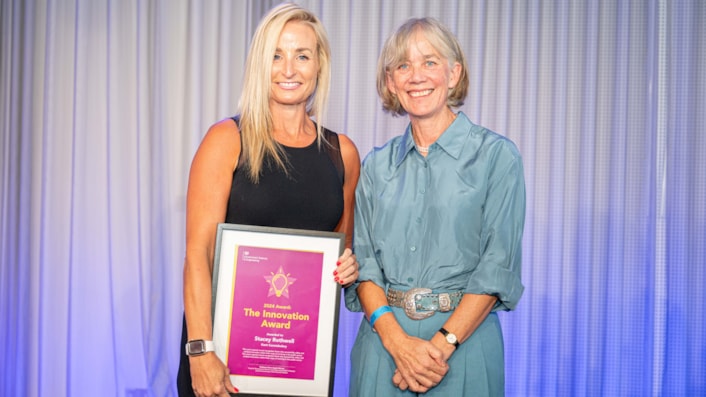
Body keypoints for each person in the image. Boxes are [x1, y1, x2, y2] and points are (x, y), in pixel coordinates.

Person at [176, 3, 361, 396]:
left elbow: (342, 251)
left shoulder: (342, 153)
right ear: (261, 64)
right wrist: (200, 352)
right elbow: (197, 255)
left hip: (299, 367)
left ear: (319, 65)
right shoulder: (226, 141)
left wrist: (349, 266)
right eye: (276, 55)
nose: (289, 69)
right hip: (221, 361)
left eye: (302, 55)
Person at [345, 17, 525, 396]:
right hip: (383, 352)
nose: (416, 76)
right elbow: (365, 267)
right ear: (391, 82)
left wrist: (437, 349)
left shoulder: (497, 157)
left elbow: (497, 266)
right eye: (403, 65)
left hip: (464, 351)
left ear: (454, 73)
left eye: (430, 62)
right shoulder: (375, 167)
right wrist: (399, 345)